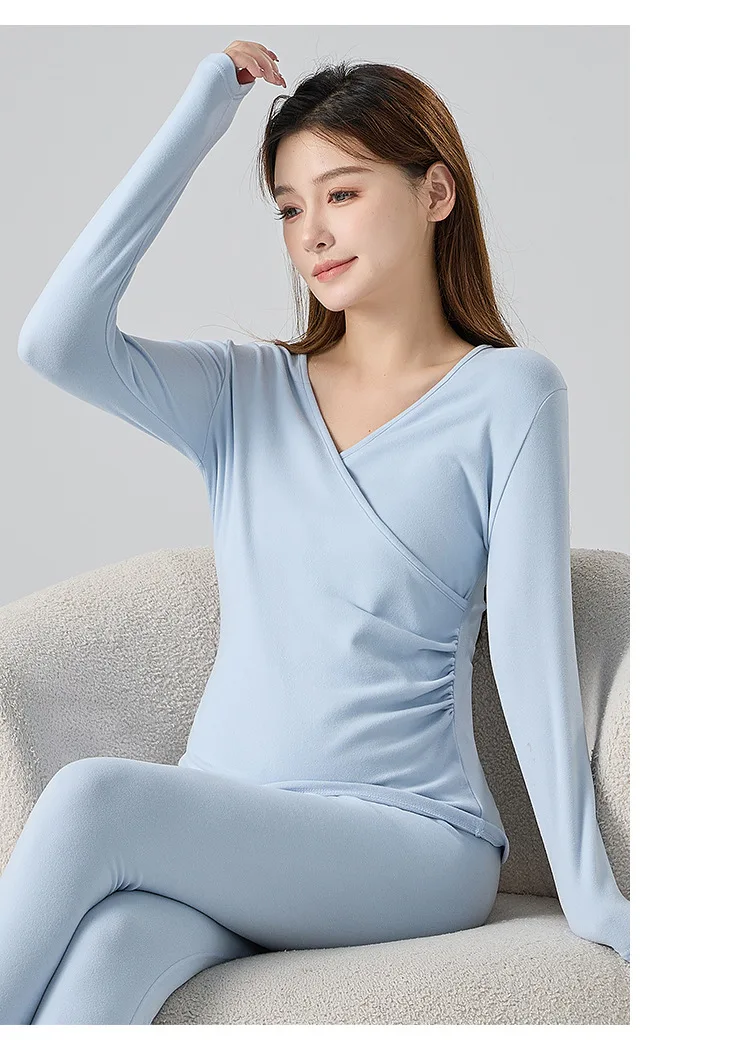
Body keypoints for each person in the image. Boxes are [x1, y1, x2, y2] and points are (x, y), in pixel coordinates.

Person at [1, 38, 629, 1025]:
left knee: (91, 801)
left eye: (341, 193)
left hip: (410, 838)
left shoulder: (510, 393)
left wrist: (590, 889)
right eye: (289, 208)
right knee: (105, 957)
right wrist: (203, 119)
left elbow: (530, 649)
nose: (313, 232)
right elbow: (56, 339)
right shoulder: (243, 394)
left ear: (435, 193)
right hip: (229, 826)